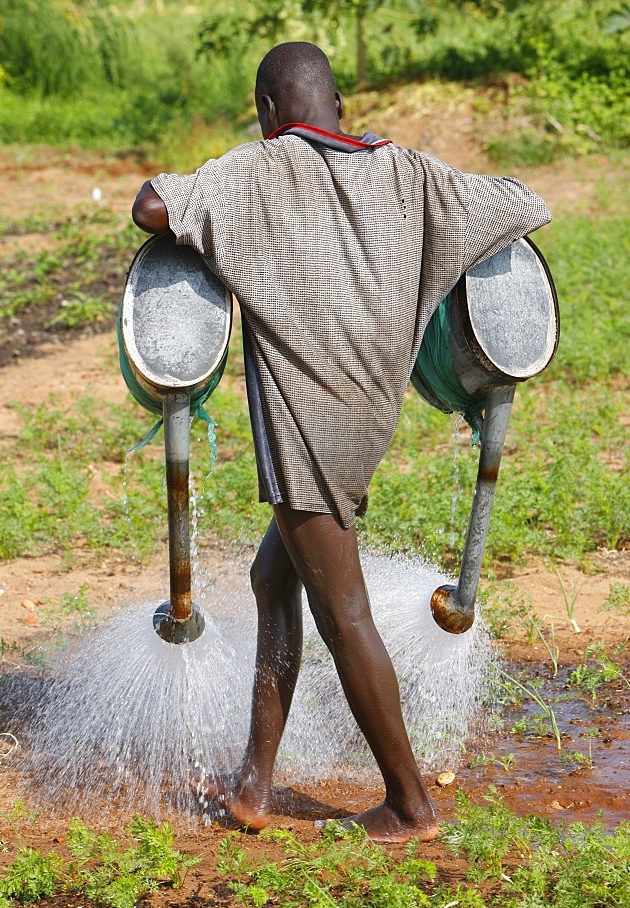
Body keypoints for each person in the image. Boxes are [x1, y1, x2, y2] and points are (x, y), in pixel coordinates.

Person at [132, 41, 551, 843]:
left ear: (266, 113)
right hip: (369, 413)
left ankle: (409, 802)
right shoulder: (412, 174)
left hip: (307, 423)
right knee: (271, 577)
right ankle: (254, 785)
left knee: (344, 609)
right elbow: (523, 202)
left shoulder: (258, 171)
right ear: (342, 111)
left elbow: (153, 207)